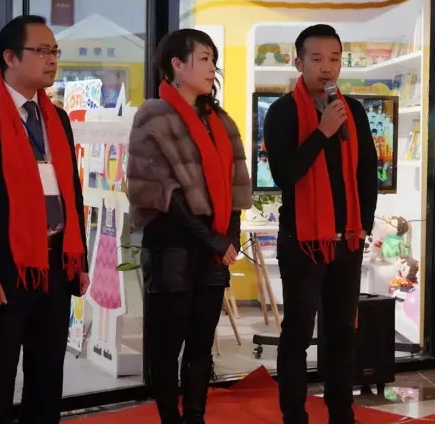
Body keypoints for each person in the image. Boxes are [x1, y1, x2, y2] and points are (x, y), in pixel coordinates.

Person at [0, 15, 89, 424]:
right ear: (9, 57)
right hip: (4, 270)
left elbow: (71, 192)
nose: (52, 59)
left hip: (55, 265)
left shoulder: (57, 119)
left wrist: (78, 260)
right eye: (42, 51)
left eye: (54, 51)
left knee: (46, 380)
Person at [126, 28, 252, 424]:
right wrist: (211, 238)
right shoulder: (153, 115)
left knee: (200, 345)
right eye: (204, 59)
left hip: (211, 251)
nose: (212, 67)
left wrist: (229, 236)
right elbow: (159, 192)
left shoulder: (221, 120)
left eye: (214, 59)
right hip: (172, 247)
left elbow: (237, 185)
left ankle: (195, 416)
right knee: (166, 349)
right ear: (177, 65)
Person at [263, 24, 378, 424]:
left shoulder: (353, 110)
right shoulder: (281, 113)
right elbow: (285, 174)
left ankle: (341, 414)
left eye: (334, 58)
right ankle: (294, 416)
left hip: (347, 240)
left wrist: (364, 224)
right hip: (303, 242)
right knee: (297, 334)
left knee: (342, 333)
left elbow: (367, 171)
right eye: (316, 59)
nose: (327, 67)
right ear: (298, 62)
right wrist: (321, 131)